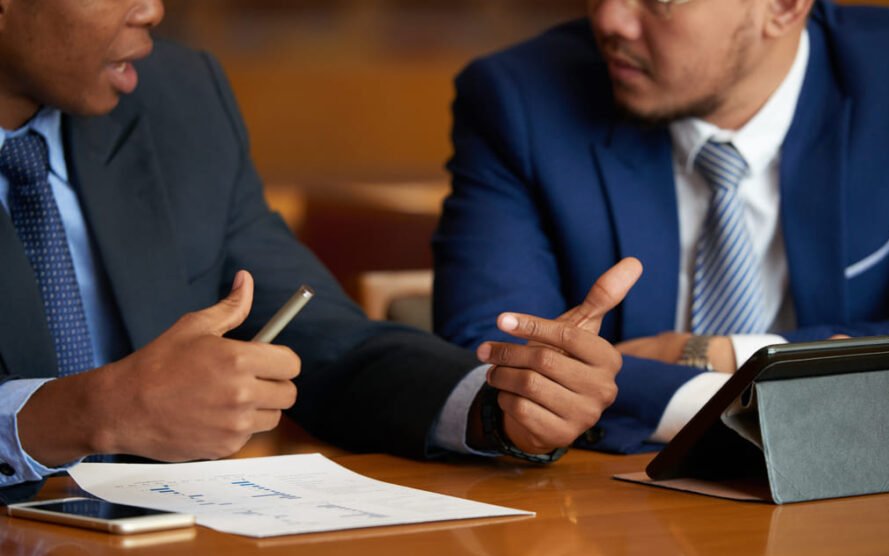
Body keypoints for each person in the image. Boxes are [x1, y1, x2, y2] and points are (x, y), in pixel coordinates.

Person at [0, 0, 643, 504]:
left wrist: (500, 404)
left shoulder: (175, 95)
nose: (152, 9)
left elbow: (331, 343)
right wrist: (88, 413)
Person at [433, 0, 889, 454]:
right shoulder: (519, 98)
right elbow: (491, 356)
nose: (609, 17)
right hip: (611, 507)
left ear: (785, 7)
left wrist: (719, 355)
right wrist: (744, 405)